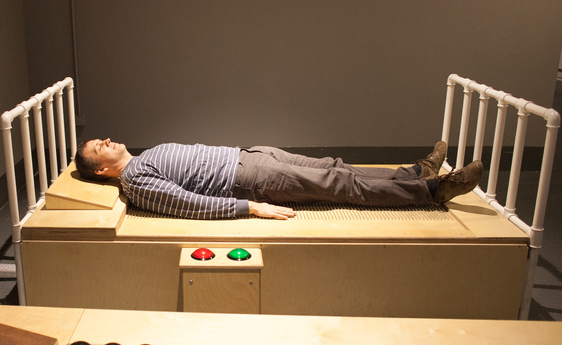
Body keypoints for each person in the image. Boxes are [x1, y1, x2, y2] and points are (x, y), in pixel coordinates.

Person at [74, 138, 483, 220]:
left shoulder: (142, 158)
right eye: (99, 147)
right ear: (102, 170)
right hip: (246, 178)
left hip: (249, 157)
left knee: (335, 167)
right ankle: (432, 191)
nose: (107, 141)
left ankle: (415, 172)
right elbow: (186, 204)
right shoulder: (135, 180)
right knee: (339, 186)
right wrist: (250, 207)